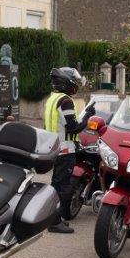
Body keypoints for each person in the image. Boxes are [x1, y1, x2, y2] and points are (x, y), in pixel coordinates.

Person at [44, 66, 86, 234]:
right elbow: (73, 127)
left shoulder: (53, 98)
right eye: (74, 82)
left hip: (54, 148)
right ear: (66, 83)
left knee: (56, 185)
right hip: (65, 151)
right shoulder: (66, 101)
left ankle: (54, 219)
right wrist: (88, 116)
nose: (76, 85)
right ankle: (55, 222)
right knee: (63, 187)